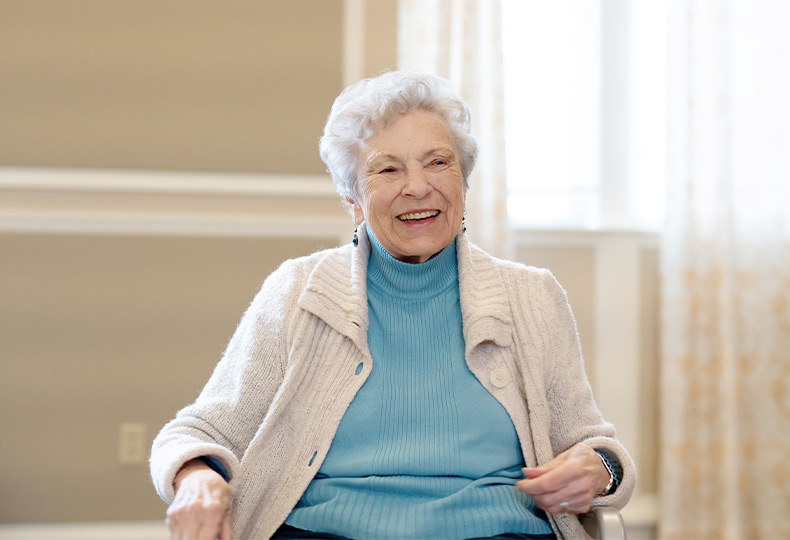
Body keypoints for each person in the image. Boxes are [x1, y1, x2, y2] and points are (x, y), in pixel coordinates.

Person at [150, 70, 635, 540]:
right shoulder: (299, 290)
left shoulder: (532, 296)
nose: (418, 186)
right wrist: (197, 476)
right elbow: (198, 430)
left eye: (438, 162)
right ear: (352, 198)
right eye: (388, 169)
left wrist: (597, 470)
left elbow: (595, 446)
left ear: (464, 183)